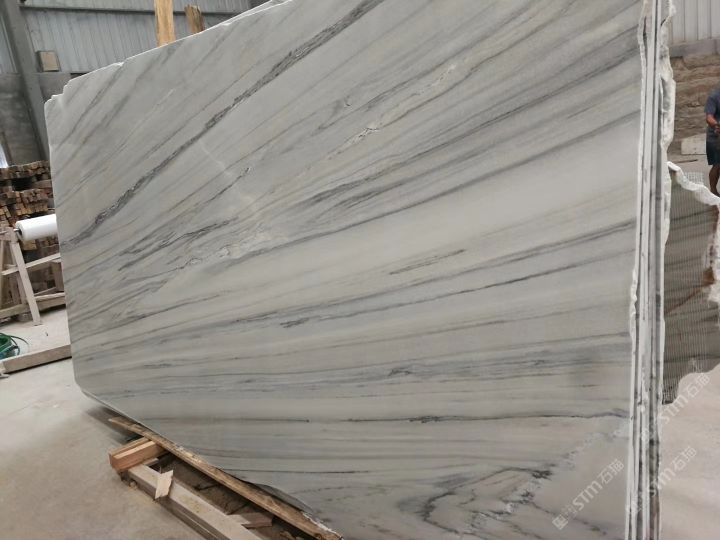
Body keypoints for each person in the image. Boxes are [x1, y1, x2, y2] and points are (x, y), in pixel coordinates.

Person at [705, 88, 720, 196]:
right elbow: (709, 117)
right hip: (715, 137)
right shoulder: (714, 97)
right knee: (717, 165)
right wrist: (716, 124)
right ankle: (713, 191)